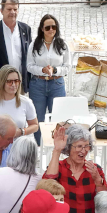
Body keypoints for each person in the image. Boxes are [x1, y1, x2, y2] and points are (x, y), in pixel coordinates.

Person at [43, 123, 107, 213]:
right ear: (68, 148)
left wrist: (97, 180)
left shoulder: (95, 170)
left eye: (86, 146)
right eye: (79, 146)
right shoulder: (60, 168)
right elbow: (48, 183)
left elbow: (105, 202)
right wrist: (57, 150)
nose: (83, 151)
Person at [27, 14, 70, 143]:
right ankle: (40, 147)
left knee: (58, 119)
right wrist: (42, 70)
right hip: (37, 84)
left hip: (56, 84)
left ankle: (55, 147)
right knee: (38, 118)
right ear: (42, 29)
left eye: (54, 27)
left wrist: (55, 70)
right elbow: (29, 66)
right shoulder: (34, 45)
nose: (51, 30)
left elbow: (67, 67)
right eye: (48, 28)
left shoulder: (62, 45)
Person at [0, 0, 32, 90]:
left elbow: (29, 55)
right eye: (9, 9)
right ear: (1, 11)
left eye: (15, 9)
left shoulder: (26, 29)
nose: (12, 12)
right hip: (2, 83)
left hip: (20, 83)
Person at [0, 65, 38, 137]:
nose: (13, 85)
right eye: (9, 82)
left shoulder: (26, 102)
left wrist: (21, 132)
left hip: (19, 143)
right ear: (2, 82)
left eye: (16, 81)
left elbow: (35, 125)